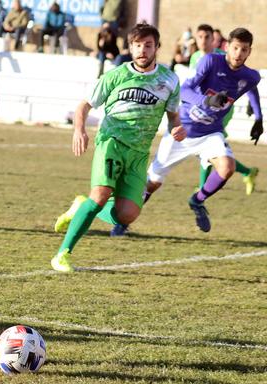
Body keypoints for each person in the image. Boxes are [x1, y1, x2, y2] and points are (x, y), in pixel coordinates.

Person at [51, 23, 185, 272]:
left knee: (127, 214)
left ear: (157, 47)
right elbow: (84, 106)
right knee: (100, 195)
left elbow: (174, 117)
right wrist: (79, 130)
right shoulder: (115, 75)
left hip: (139, 152)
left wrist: (178, 128)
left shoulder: (169, 80)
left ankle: (81, 206)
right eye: (137, 45)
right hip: (111, 142)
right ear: (131, 48)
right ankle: (62, 254)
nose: (143, 50)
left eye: (148, 45)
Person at [137, 28, 262, 233]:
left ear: (249, 52)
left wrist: (258, 117)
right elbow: (184, 90)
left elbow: (252, 86)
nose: (239, 53)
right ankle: (123, 221)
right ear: (227, 47)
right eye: (236, 48)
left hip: (210, 133)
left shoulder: (250, 75)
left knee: (227, 167)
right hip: (182, 130)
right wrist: (206, 100)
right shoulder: (211, 62)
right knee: (152, 183)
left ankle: (197, 200)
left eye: (244, 50)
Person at [189, 24, 259, 197]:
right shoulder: (196, 57)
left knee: (208, 146)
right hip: (200, 108)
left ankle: (202, 189)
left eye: (207, 37)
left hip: (220, 110)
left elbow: (247, 82)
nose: (203, 41)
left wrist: (256, 112)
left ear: (215, 40)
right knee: (211, 152)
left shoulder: (224, 58)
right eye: (200, 37)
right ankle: (247, 172)